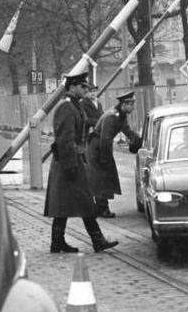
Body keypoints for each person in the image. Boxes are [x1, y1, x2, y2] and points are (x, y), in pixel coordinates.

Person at [44, 72, 118, 253]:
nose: (86, 89)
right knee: (83, 201)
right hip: (68, 162)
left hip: (73, 160)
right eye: (83, 86)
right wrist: (71, 166)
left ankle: (58, 241)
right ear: (72, 87)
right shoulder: (67, 107)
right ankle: (96, 240)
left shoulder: (75, 106)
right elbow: (65, 139)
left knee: (68, 203)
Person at [86, 90, 142, 218]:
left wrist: (138, 140)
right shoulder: (112, 116)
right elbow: (105, 139)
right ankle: (102, 209)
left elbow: (127, 130)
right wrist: (105, 160)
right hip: (97, 147)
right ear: (124, 104)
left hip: (100, 145)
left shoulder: (120, 115)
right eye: (131, 105)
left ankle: (100, 207)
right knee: (101, 177)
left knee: (104, 176)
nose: (133, 108)